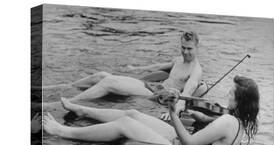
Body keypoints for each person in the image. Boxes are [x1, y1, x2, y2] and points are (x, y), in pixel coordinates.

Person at [43, 76, 259, 145]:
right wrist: (203, 119)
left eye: (231, 94)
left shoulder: (229, 121)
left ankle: (63, 131)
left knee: (125, 124)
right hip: (183, 144)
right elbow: (219, 130)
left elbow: (190, 143)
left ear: (240, 100)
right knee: (133, 112)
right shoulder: (236, 121)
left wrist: (173, 112)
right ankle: (82, 109)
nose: (227, 95)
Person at [42, 31, 205, 120]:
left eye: (189, 49)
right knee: (101, 75)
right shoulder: (179, 59)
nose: (185, 51)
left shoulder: (195, 71)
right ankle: (58, 87)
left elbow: (186, 94)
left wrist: (174, 113)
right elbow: (159, 66)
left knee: (109, 81)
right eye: (183, 47)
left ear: (197, 47)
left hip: (157, 97)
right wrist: (136, 68)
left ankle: (63, 103)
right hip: (153, 87)